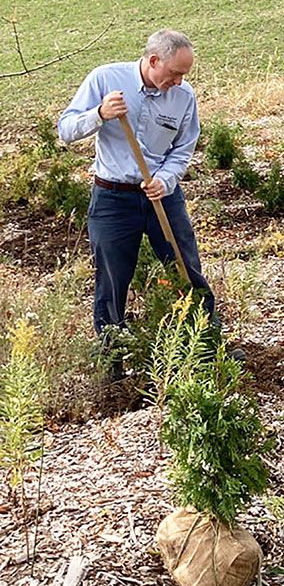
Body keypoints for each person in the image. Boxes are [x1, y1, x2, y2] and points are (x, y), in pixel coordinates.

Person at [57, 29, 229, 363]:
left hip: (163, 198)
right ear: (153, 61)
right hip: (113, 200)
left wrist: (165, 180)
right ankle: (112, 360)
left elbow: (183, 148)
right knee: (112, 281)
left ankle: (207, 348)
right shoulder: (105, 79)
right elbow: (66, 130)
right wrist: (100, 114)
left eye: (184, 75)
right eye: (175, 73)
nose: (179, 82)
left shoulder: (184, 96)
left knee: (186, 268)